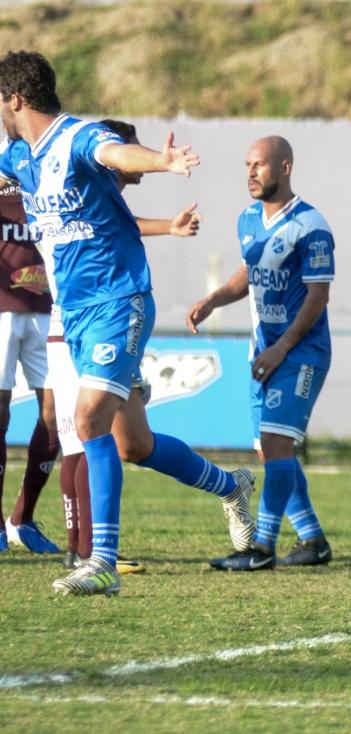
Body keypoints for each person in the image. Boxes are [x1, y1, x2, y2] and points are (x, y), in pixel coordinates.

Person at [0, 51, 255, 596]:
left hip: (119, 301)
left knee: (86, 420)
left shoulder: (76, 137)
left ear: (15, 99)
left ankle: (102, 563)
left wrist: (161, 162)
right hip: (75, 312)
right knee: (132, 444)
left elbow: (115, 151)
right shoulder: (20, 156)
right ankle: (231, 486)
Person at [53, 118, 202, 574]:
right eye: (131, 147)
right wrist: (161, 161)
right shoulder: (73, 176)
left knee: (120, 439)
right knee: (88, 433)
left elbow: (122, 224)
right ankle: (87, 549)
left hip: (106, 317)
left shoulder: (96, 192)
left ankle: (96, 554)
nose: (135, 154)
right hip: (69, 319)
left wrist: (169, 226)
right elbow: (118, 159)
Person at [188, 135, 334, 571]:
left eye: (260, 165)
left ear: (285, 168)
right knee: (270, 450)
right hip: (264, 352)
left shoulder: (311, 225)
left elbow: (318, 296)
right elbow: (250, 272)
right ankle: (313, 540)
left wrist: (282, 348)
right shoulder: (249, 219)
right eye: (247, 165)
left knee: (275, 442)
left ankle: (261, 547)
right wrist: (215, 299)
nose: (251, 173)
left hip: (301, 352)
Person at [0, 173, 60, 555]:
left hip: (47, 307)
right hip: (2, 308)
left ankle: (22, 519)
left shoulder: (51, 157)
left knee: (56, 415)